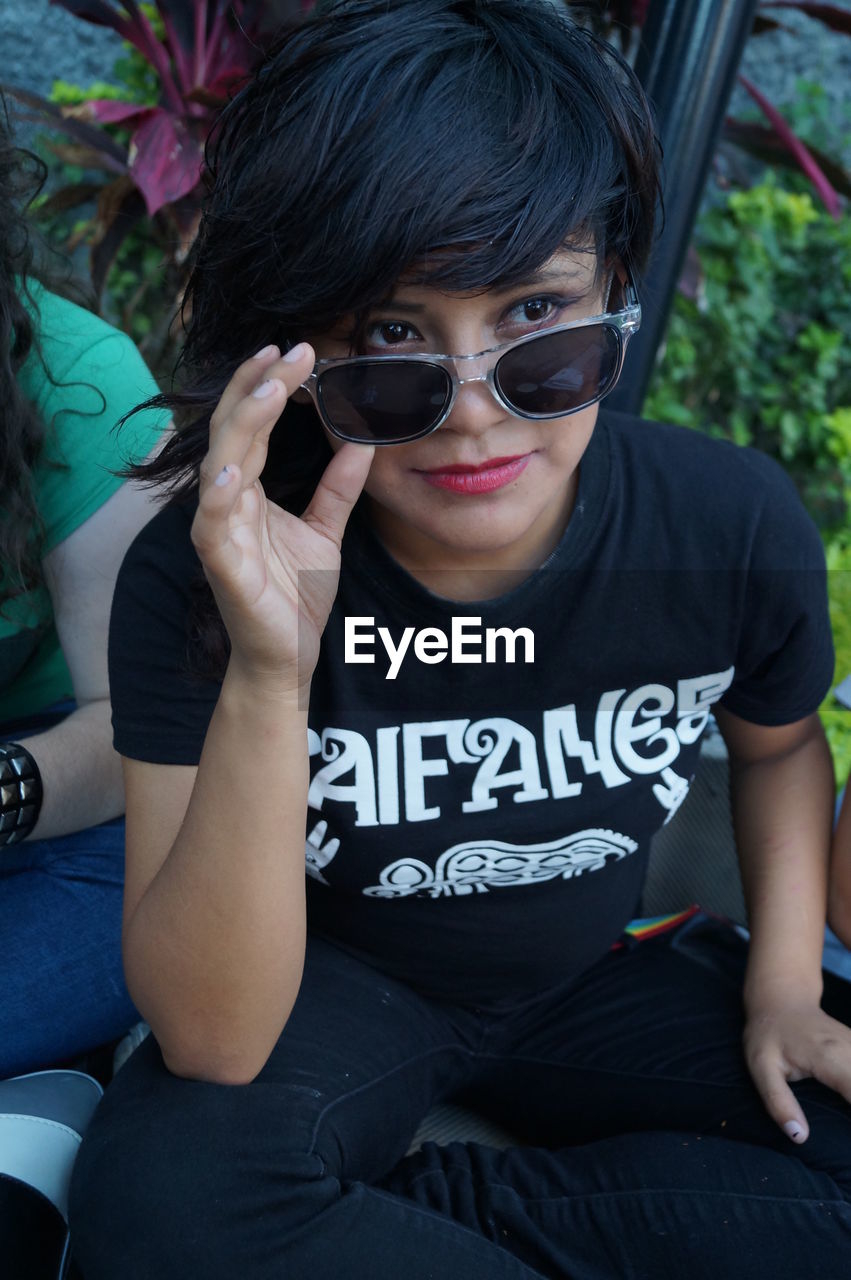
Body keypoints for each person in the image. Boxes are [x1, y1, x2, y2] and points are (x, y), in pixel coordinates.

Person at [69, 2, 851, 1276]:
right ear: (299, 352)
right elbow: (213, 1037)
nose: (474, 417)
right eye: (391, 341)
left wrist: (781, 986)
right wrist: (275, 669)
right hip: (346, 985)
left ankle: (448, 1213)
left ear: (616, 294)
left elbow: (773, 748)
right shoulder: (215, 571)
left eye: (539, 322)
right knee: (163, 1203)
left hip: (598, 972)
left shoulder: (724, 523)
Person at [0, 107, 170, 1076]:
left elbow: (137, 727)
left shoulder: (79, 385)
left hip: (42, 795)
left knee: (147, 893)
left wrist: (7, 791)